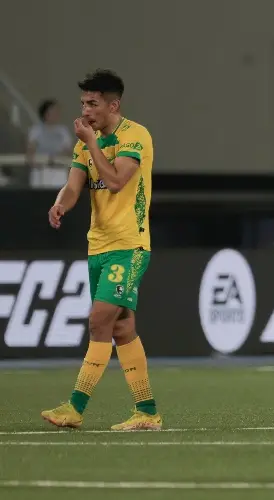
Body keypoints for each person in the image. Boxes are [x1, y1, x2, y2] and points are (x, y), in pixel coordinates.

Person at [41, 69, 162, 431]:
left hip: (130, 244)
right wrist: (61, 203)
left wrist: (92, 143)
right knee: (122, 328)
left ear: (113, 105)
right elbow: (74, 185)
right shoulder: (85, 143)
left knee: (99, 321)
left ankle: (75, 407)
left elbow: (114, 181)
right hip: (99, 247)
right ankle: (147, 411)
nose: (86, 110)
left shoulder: (134, 136)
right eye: (83, 103)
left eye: (92, 103)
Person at [27, 98, 74, 188]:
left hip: (58, 173)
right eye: (52, 112)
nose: (55, 114)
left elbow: (69, 151)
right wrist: (35, 161)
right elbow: (30, 150)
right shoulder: (36, 130)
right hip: (40, 173)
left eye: (57, 112)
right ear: (45, 114)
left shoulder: (63, 131)